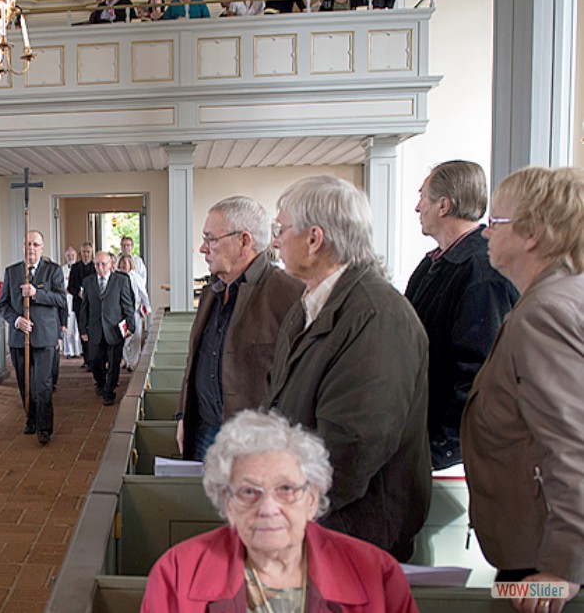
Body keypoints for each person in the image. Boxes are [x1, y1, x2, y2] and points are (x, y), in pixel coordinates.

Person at [266, 175, 430, 562]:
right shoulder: (310, 304)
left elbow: (349, 451)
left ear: (314, 238)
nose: (274, 240)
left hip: (350, 534)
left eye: (280, 228)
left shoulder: (376, 316)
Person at [143, 410, 419, 613]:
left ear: (312, 499)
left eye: (286, 489)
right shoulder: (177, 573)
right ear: (227, 503)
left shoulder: (378, 574)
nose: (268, 508)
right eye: (249, 492)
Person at [462, 166, 584, 613]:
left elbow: (572, 443)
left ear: (532, 234)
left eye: (496, 223)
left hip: (544, 567)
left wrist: (562, 570)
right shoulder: (556, 299)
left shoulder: (544, 313)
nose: (486, 235)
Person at [405, 160, 517, 469]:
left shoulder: (483, 272)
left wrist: (441, 450)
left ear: (443, 205)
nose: (417, 208)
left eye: (422, 196)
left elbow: (479, 371)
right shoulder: (431, 265)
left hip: (453, 455)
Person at [177, 196, 303, 461]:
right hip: (203, 430)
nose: (202, 248)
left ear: (244, 241)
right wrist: (183, 415)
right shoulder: (213, 288)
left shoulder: (289, 294)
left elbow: (298, 382)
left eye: (211, 239)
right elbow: (196, 359)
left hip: (254, 445)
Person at [0, 230, 66, 444]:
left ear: (42, 248)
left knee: (43, 384)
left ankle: (44, 427)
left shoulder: (53, 271)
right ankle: (31, 418)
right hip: (20, 338)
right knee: (25, 383)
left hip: (44, 337)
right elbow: (3, 305)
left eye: (36, 244)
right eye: (28, 244)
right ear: (22, 246)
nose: (31, 248)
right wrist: (17, 321)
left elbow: (61, 300)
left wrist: (36, 293)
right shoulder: (12, 271)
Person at [78, 251, 134, 406]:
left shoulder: (121, 280)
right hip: (95, 329)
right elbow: (84, 308)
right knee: (94, 361)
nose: (100, 267)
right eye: (96, 264)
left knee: (114, 363)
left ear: (111, 264)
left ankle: (109, 392)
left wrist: (131, 325)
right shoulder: (88, 282)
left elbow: (128, 304)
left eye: (103, 264)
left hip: (114, 328)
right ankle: (101, 383)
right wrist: (83, 330)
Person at [117, 254, 150, 373]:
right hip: (120, 313)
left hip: (134, 311)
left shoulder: (136, 278)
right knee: (124, 338)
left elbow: (143, 294)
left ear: (131, 264)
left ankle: (133, 361)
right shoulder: (115, 277)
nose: (124, 265)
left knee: (135, 337)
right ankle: (126, 359)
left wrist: (147, 308)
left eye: (126, 263)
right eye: (122, 262)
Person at [67, 241, 96, 346]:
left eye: (88, 252)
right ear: (80, 253)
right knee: (82, 332)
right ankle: (86, 358)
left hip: (93, 305)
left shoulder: (95, 267)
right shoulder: (75, 267)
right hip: (79, 304)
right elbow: (70, 287)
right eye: (84, 252)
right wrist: (78, 293)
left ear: (92, 253)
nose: (86, 254)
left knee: (93, 332)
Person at [60, 246, 82, 359]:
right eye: (68, 255)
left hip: (76, 299)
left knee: (77, 327)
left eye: (72, 255)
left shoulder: (79, 268)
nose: (70, 257)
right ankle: (68, 351)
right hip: (66, 300)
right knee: (67, 326)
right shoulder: (61, 270)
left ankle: (77, 350)